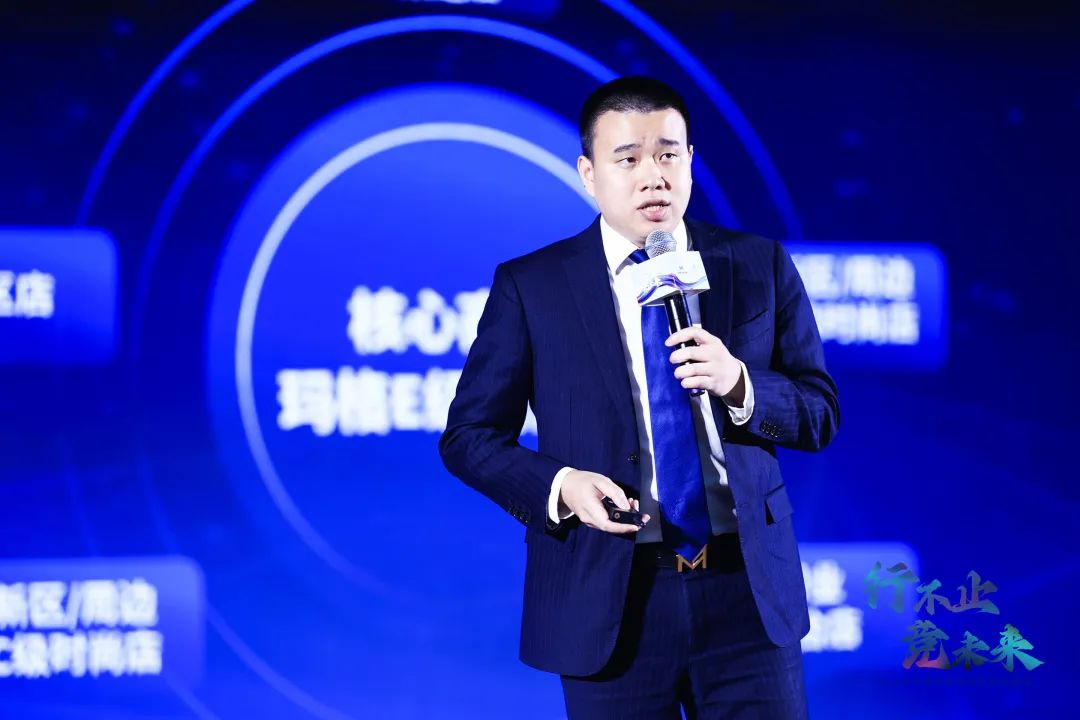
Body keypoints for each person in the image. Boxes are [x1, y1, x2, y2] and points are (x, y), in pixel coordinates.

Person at [439, 76, 839, 719]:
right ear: (589, 174)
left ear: (690, 161)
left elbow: (819, 411)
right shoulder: (533, 286)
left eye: (668, 154)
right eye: (627, 159)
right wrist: (561, 487)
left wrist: (739, 383)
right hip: (611, 601)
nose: (653, 175)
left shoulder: (755, 264)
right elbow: (469, 438)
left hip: (747, 596)